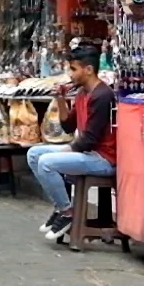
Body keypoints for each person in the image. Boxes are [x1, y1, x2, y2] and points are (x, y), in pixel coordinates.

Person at [30, 45, 117, 242]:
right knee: (33, 154)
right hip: (87, 152)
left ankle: (67, 213)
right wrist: (60, 98)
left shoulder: (102, 96)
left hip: (102, 158)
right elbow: (68, 126)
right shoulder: (81, 93)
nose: (70, 74)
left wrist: (61, 151)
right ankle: (60, 207)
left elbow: (89, 141)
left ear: (88, 69)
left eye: (74, 69)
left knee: (46, 162)